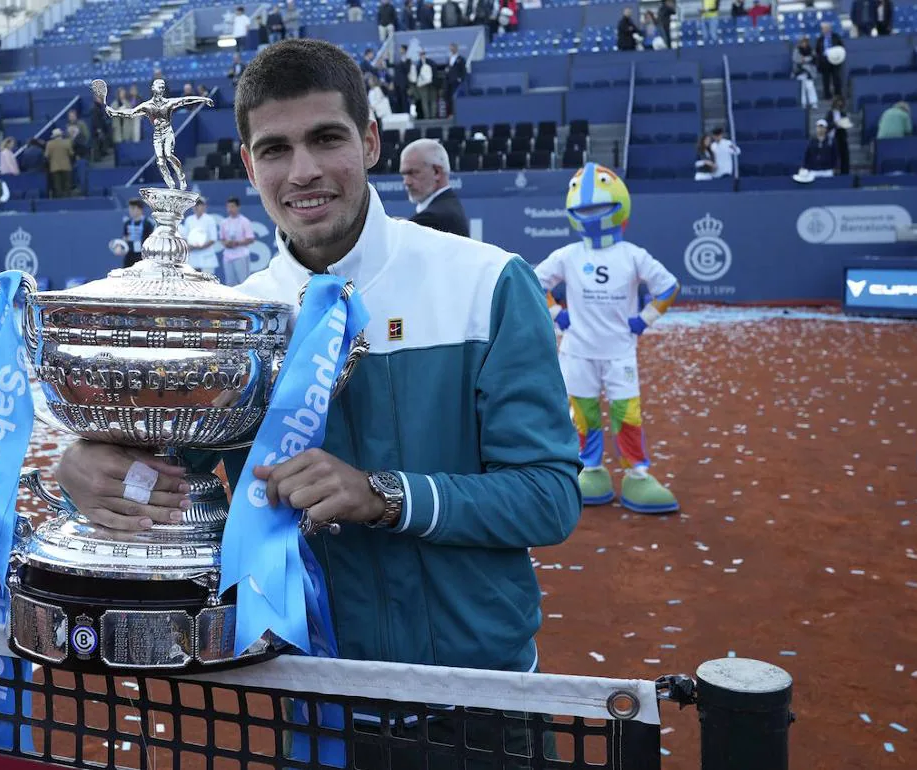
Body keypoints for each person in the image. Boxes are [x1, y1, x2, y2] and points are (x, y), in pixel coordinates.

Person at [52, 39, 582, 765]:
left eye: (326, 138)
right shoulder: (233, 325)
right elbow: (167, 470)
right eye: (275, 149)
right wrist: (89, 463)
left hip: (482, 708)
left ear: (368, 141)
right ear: (247, 164)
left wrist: (383, 495)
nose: (302, 172)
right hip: (316, 705)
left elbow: (548, 496)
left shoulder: (487, 285)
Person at [534, 163, 681, 514]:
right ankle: (592, 470)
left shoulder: (633, 255)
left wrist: (643, 321)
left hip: (619, 354)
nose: (591, 212)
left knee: (626, 413)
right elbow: (534, 282)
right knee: (582, 414)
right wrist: (558, 314)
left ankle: (637, 474)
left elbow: (668, 286)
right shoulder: (568, 256)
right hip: (578, 353)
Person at [399, 138, 470, 237]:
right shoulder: (447, 207)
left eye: (413, 173)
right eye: (404, 175)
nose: (406, 182)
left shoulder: (431, 219)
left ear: (437, 172)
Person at [218, 196, 255, 285]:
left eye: (232, 206)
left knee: (244, 281)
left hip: (241, 255)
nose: (230, 209)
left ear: (238, 207)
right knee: (230, 282)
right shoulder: (224, 222)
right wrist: (226, 243)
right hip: (228, 255)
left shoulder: (245, 221)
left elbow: (250, 239)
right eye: (228, 207)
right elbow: (222, 239)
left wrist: (237, 243)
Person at [182, 197, 220, 276]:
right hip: (193, 257)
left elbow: (213, 239)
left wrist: (199, 247)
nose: (197, 207)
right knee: (193, 281)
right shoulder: (189, 220)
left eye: (199, 205)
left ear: (204, 207)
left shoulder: (210, 220)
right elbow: (185, 237)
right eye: (195, 205)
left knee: (208, 282)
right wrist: (189, 246)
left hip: (206, 258)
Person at [814, 22, 844, 101]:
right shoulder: (820, 39)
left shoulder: (836, 37)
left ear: (830, 28)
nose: (825, 30)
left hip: (835, 60)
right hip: (825, 61)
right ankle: (827, 95)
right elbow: (817, 50)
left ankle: (838, 94)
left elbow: (841, 47)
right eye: (823, 28)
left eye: (826, 28)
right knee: (826, 79)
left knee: (836, 78)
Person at [121, 199, 154, 268]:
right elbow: (124, 237)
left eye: (133, 208)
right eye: (130, 208)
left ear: (140, 209)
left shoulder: (147, 223)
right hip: (130, 254)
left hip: (142, 255)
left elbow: (150, 240)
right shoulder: (128, 223)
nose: (131, 211)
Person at [44, 129, 74, 199]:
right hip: (66, 166)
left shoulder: (49, 143)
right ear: (61, 135)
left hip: (54, 167)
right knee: (67, 184)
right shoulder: (67, 142)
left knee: (57, 185)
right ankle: (68, 198)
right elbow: (71, 153)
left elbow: (46, 155)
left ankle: (59, 199)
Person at [824, 96, 851, 175]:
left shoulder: (843, 113)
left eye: (841, 102)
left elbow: (846, 123)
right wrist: (835, 124)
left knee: (845, 155)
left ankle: (845, 173)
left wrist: (845, 123)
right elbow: (827, 125)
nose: (839, 104)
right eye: (838, 102)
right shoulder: (830, 113)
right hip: (832, 136)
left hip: (841, 135)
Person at [792, 36, 819, 108]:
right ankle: (803, 103)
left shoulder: (811, 50)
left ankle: (813, 103)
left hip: (809, 72)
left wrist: (806, 59)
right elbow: (797, 60)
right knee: (802, 88)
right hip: (800, 72)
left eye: (805, 42)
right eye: (802, 42)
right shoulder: (796, 50)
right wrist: (806, 59)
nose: (803, 43)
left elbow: (814, 58)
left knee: (810, 87)